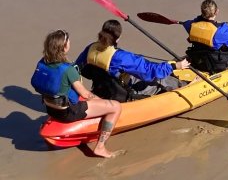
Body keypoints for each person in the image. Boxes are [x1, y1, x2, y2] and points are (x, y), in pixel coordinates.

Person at [31, 29, 122, 158]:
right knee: (116, 106)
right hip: (69, 112)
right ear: (64, 46)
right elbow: (85, 94)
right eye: (68, 41)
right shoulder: (68, 70)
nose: (70, 42)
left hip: (50, 109)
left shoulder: (42, 62)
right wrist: (101, 101)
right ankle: (100, 147)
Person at [75, 20, 190, 101]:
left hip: (101, 88)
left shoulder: (90, 48)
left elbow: (77, 68)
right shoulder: (121, 57)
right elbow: (149, 73)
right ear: (118, 38)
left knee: (135, 74)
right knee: (162, 79)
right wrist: (175, 66)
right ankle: (186, 86)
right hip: (120, 93)